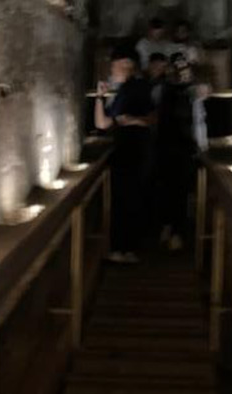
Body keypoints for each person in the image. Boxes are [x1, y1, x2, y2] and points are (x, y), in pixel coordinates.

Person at [95, 47, 155, 264]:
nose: (113, 71)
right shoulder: (123, 91)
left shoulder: (137, 88)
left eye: (116, 66)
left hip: (135, 150)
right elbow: (102, 123)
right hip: (126, 150)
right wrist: (100, 97)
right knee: (124, 199)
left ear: (128, 66)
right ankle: (122, 248)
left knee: (129, 199)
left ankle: (125, 248)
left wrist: (132, 120)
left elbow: (150, 118)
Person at [157, 54, 208, 251]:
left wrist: (200, 146)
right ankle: (171, 228)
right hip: (173, 146)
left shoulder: (185, 92)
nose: (182, 72)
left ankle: (174, 230)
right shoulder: (171, 91)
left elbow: (197, 121)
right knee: (171, 189)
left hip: (180, 147)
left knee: (178, 190)